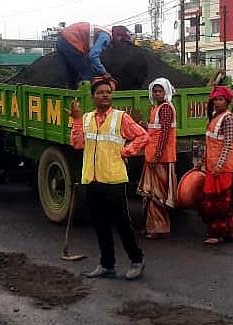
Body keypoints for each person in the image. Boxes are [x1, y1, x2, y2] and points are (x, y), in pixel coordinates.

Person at [69, 77, 149, 280]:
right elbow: (77, 144)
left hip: (114, 179)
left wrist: (127, 151)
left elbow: (143, 136)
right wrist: (76, 120)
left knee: (122, 223)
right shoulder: (86, 118)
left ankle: (136, 260)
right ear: (93, 97)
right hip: (92, 179)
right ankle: (107, 265)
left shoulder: (120, 118)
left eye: (108, 92)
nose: (105, 95)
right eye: (100, 92)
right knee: (100, 224)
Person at [123, 78, 177, 238]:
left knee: (156, 195)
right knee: (149, 194)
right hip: (152, 155)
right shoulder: (156, 108)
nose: (157, 93)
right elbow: (154, 130)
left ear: (166, 92)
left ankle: (159, 228)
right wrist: (142, 125)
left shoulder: (166, 108)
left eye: (160, 91)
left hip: (161, 159)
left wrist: (157, 156)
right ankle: (151, 227)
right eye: (155, 91)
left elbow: (165, 134)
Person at [201, 86, 233, 244]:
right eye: (215, 99)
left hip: (222, 169)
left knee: (220, 202)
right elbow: (210, 143)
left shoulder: (227, 118)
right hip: (212, 167)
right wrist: (203, 161)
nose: (217, 102)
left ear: (227, 101)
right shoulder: (215, 117)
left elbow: (228, 144)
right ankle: (229, 232)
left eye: (220, 99)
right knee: (219, 201)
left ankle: (218, 234)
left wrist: (219, 165)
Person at [56, 23, 132, 89]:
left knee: (73, 72)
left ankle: (72, 91)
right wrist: (104, 72)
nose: (122, 44)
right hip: (70, 40)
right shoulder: (106, 37)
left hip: (62, 39)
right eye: (122, 41)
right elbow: (93, 56)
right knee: (89, 74)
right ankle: (89, 98)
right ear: (119, 36)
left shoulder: (104, 33)